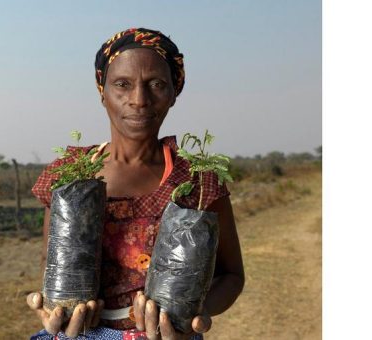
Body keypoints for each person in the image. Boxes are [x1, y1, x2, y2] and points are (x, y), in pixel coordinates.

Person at [27, 27, 245, 340]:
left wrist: (193, 316)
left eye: (156, 84)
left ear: (173, 92)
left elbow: (231, 276)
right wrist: (52, 309)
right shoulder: (70, 175)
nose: (139, 100)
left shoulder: (198, 181)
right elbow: (53, 263)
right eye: (122, 84)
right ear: (102, 90)